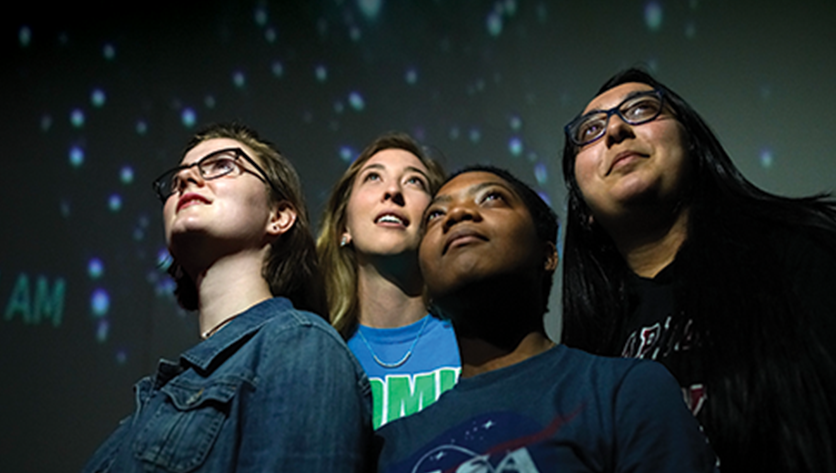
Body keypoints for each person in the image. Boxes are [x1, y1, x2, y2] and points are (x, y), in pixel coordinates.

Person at [560, 68, 836, 472]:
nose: (616, 129)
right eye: (591, 130)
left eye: (641, 109)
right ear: (582, 208)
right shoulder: (583, 355)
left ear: (694, 146)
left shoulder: (801, 250)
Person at [375, 166, 717, 473]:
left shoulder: (625, 391)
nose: (458, 214)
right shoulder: (386, 449)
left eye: (492, 198)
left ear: (548, 255)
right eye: (435, 215)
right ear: (426, 287)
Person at [82, 123, 371, 472]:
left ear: (278, 216)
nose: (187, 180)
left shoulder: (300, 345)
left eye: (221, 165)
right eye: (177, 181)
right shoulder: (164, 392)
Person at [317, 132, 459, 430]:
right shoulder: (314, 353)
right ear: (344, 226)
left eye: (414, 181)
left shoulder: (475, 343)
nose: (392, 191)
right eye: (373, 178)